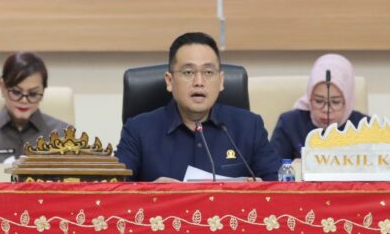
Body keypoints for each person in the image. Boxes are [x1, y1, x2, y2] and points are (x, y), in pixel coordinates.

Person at [115, 32, 281, 182]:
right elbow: (114, 191)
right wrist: (153, 192)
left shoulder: (249, 127)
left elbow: (279, 186)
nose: (199, 82)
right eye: (188, 72)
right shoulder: (138, 131)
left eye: (208, 72)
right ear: (170, 81)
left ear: (221, 81)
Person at [0, 51, 70, 162]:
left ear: (43, 91)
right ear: (2, 87)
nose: (24, 100)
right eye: (16, 92)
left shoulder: (63, 134)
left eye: (33, 94)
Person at [270, 54, 368, 161]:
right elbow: (272, 167)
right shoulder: (289, 124)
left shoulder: (365, 127)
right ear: (309, 96)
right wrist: (297, 166)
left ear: (348, 100)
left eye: (335, 102)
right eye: (319, 101)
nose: (326, 110)